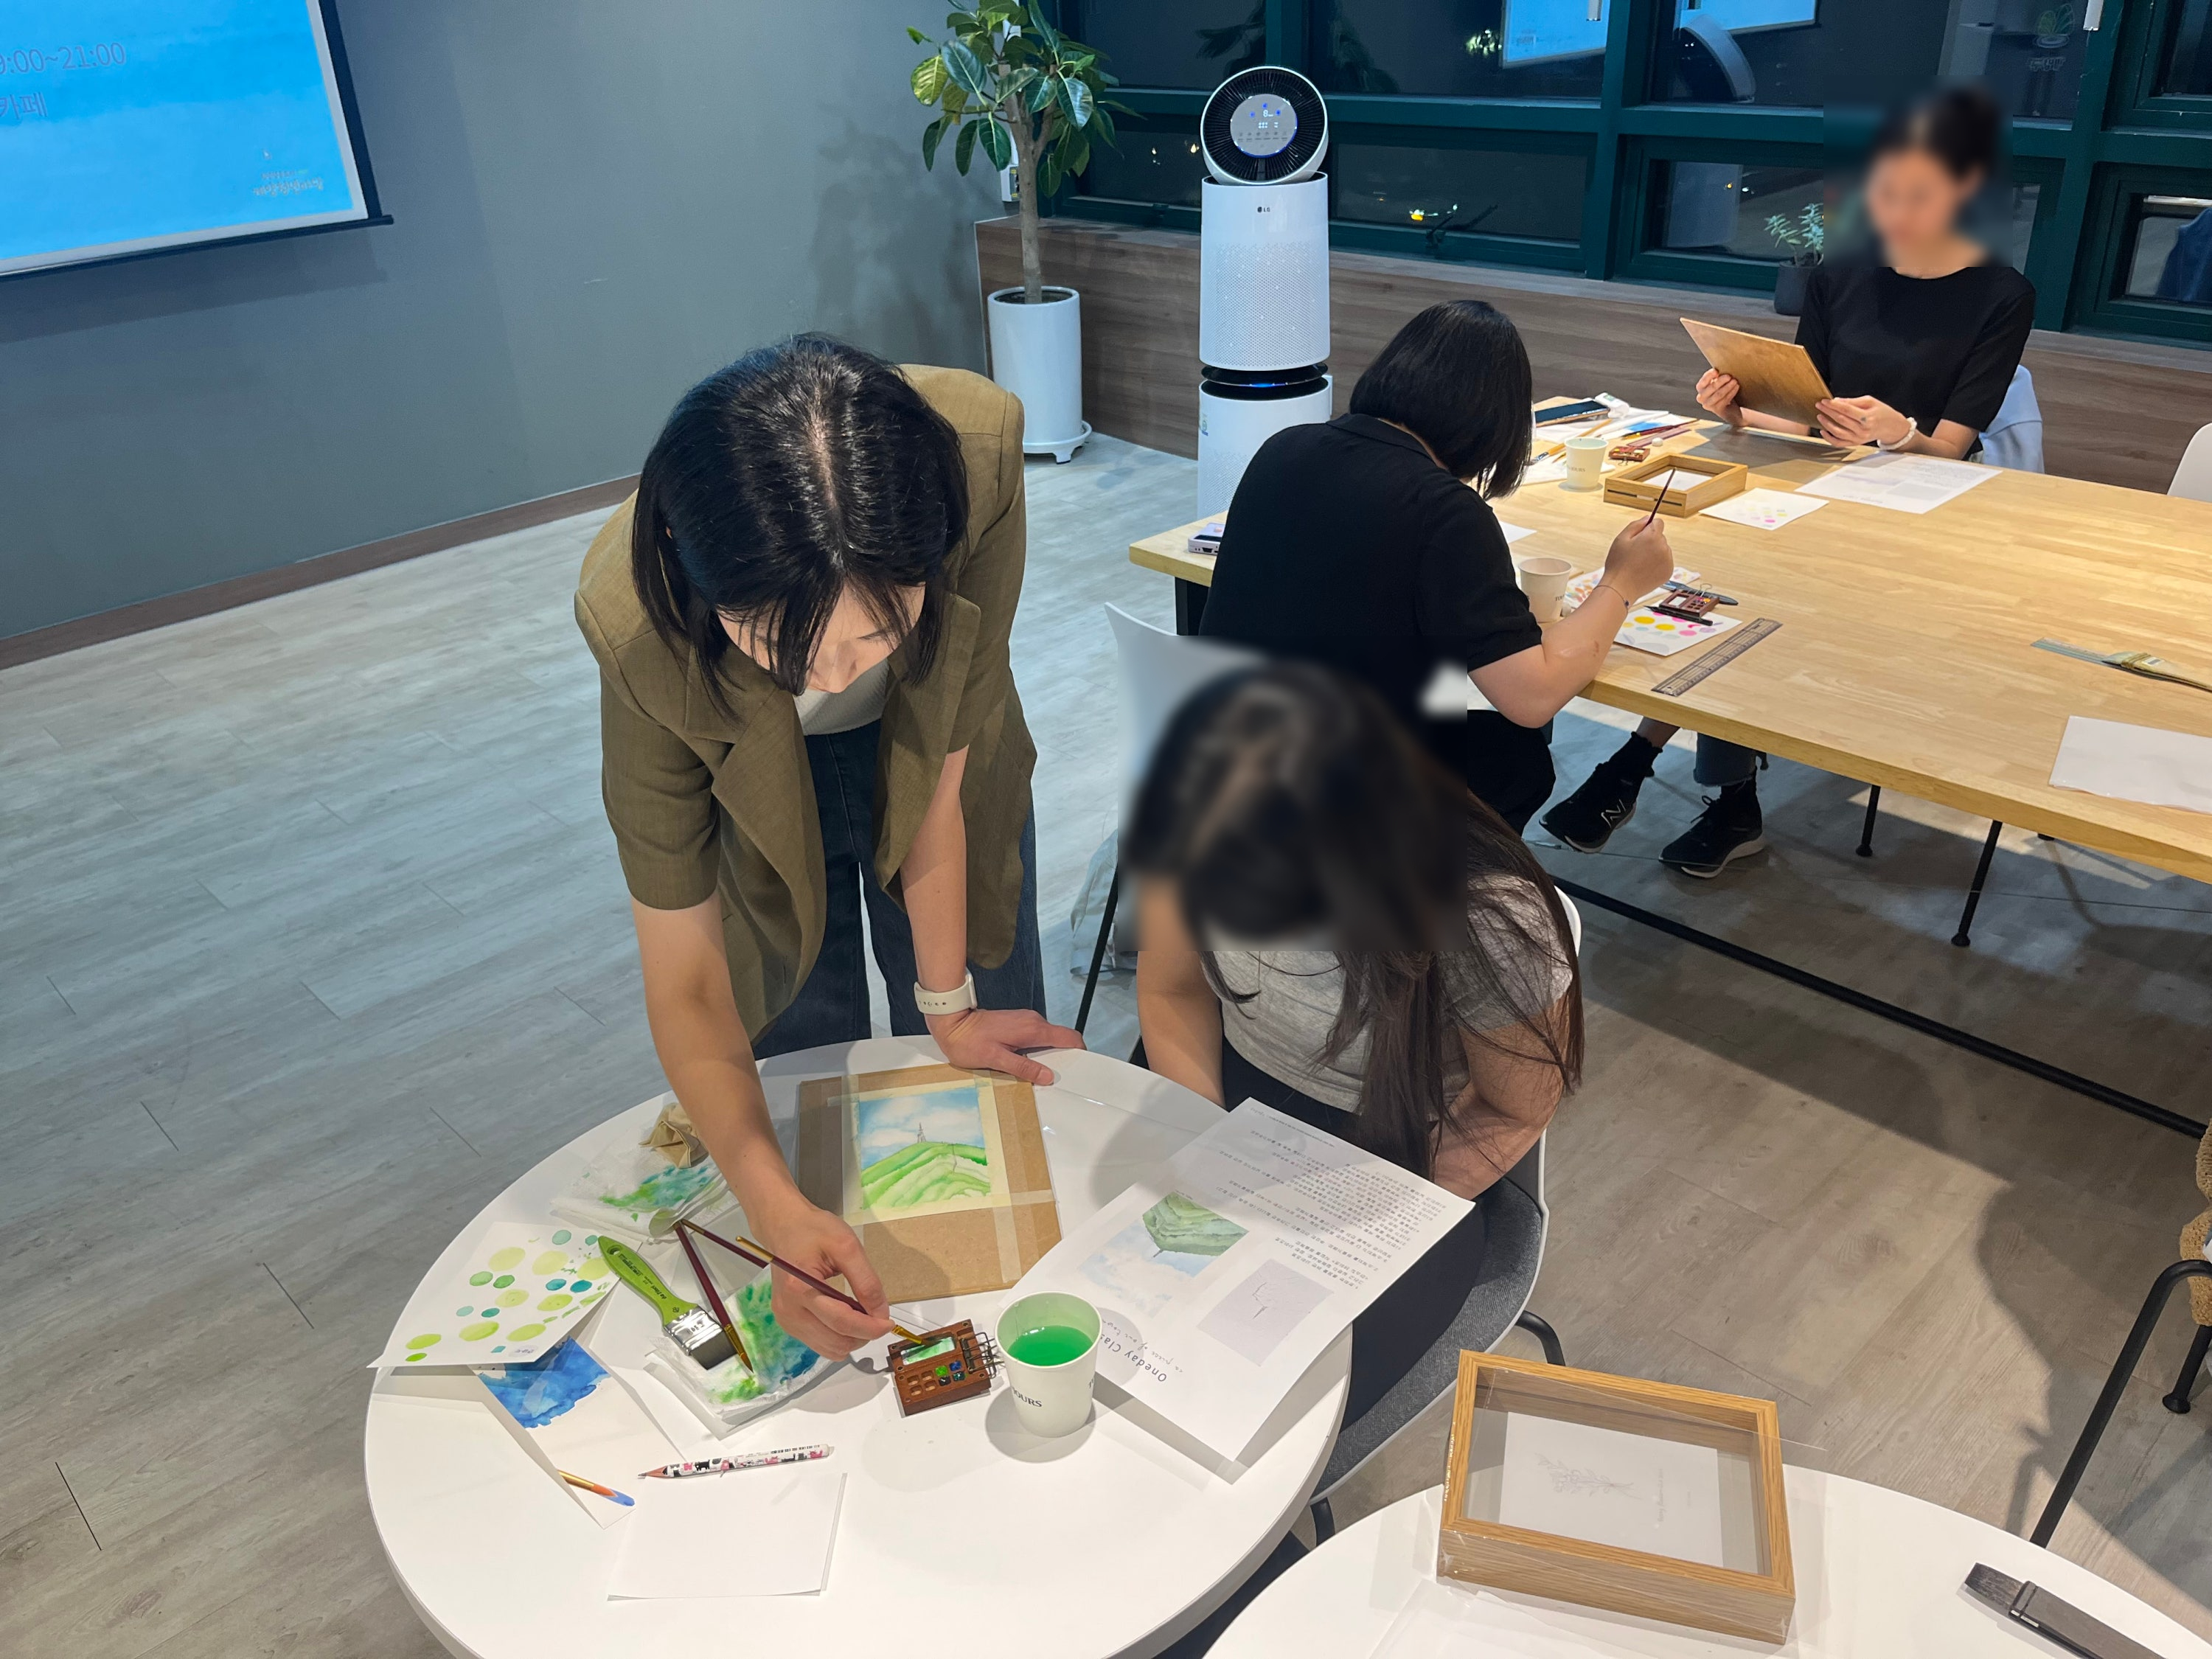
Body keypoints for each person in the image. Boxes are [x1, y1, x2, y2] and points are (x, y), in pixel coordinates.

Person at [574, 336, 1081, 1360]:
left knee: (986, 1017)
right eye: (784, 646)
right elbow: (687, 975)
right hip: (754, 769)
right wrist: (772, 1209)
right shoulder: (637, 629)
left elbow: (940, 779)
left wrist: (948, 1006)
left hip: (941, 740)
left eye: (876, 632)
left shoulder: (978, 454)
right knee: (796, 1023)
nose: (832, 676)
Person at [1544, 85, 2035, 876]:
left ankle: (1646, 770)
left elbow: (1950, 449)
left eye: (1916, 195)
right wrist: (1739, 409)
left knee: (1764, 597)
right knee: (1727, 578)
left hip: (1920, 504)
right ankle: (1712, 795)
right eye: (1883, 192)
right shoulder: (1842, 273)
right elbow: (1810, 417)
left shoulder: (2001, 295)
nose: (1893, 212)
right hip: (1824, 481)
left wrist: (1896, 432)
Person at [1128, 662, 1582, 1420]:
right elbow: (1172, 992)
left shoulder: (1488, 921)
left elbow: (1514, 1108)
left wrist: (1362, 1221)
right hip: (1214, 1087)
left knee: (1249, 1407)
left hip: (1406, 1153)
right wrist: (1204, 1143)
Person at [1197, 299, 1677, 832]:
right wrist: (1622, 581)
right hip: (1334, 801)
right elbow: (1533, 697)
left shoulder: (1284, 446)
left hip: (1228, 754)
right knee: (1516, 757)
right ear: (1494, 424)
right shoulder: (1445, 510)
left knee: (1474, 714)